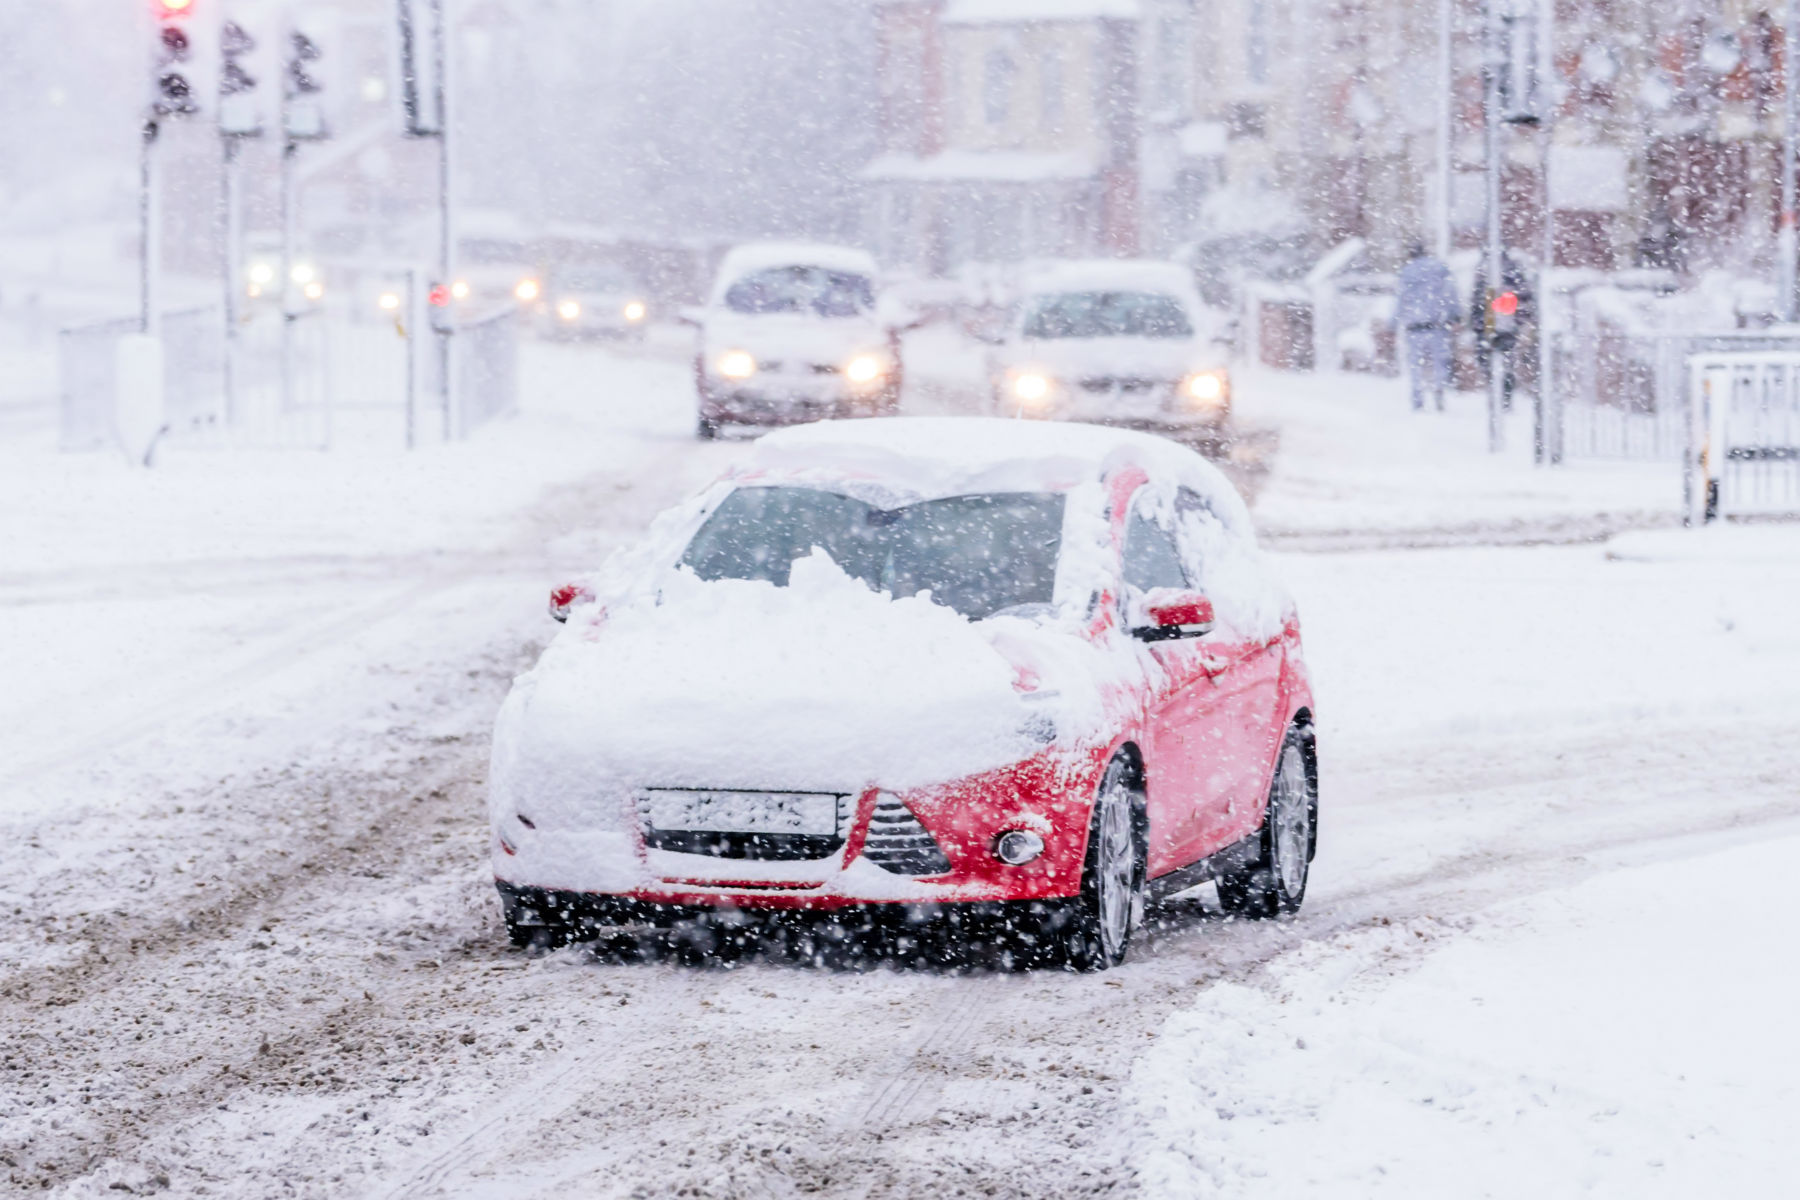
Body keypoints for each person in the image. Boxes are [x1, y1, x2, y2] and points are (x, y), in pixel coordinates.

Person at [1394, 242, 1460, 412]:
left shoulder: (1406, 273)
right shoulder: (1440, 269)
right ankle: (1439, 390)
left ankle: (1418, 398)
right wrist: (1454, 314)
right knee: (1440, 361)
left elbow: (1401, 299)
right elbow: (1450, 293)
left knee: (1415, 364)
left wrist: (1393, 322)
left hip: (1415, 326)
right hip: (1437, 325)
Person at [1470, 253, 1535, 412]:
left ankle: (1499, 395)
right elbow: (1525, 299)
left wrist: (1478, 323)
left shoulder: (1485, 270)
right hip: (1506, 325)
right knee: (1506, 364)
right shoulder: (1512, 272)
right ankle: (1504, 397)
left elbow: (1477, 300)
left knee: (1492, 362)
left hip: (1493, 324)